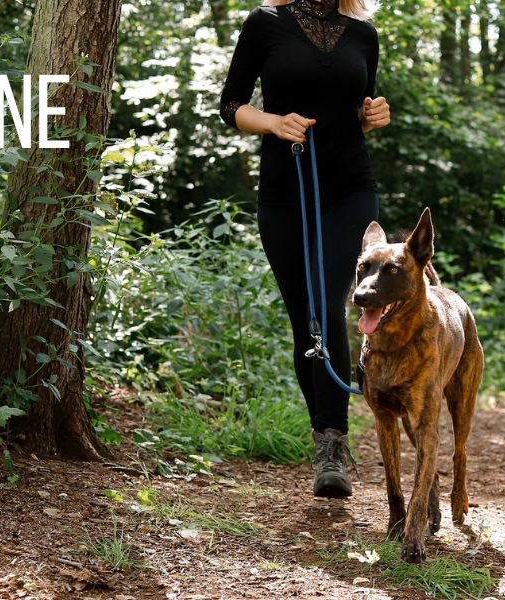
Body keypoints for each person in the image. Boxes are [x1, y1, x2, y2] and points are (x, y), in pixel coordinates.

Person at [217, 0, 391, 498]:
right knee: (304, 318)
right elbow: (231, 104)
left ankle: (332, 447)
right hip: (283, 189)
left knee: (325, 298)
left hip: (349, 188)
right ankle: (325, 436)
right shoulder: (264, 24)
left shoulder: (363, 32)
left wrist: (373, 114)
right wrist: (272, 122)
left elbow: (358, 111)